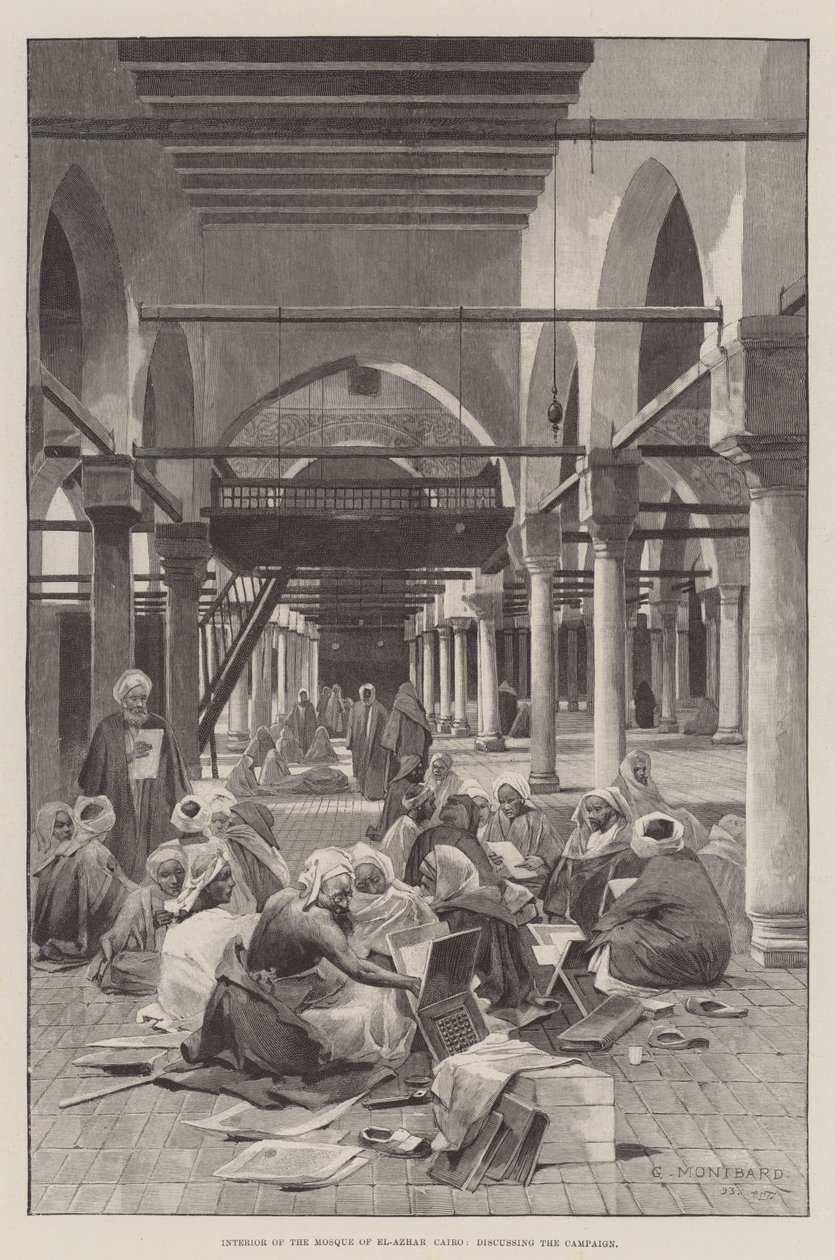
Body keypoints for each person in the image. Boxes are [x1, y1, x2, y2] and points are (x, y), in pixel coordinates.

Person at [183, 848, 422, 1076]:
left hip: (246, 988)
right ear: (319, 886)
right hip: (266, 1010)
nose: (345, 903)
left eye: (349, 893)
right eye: (338, 896)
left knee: (338, 981)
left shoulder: (282, 897)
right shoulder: (317, 921)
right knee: (368, 1006)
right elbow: (360, 971)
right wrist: (408, 982)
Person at [587, 814, 732, 995]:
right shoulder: (687, 856)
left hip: (694, 955)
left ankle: (617, 981)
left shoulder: (661, 866)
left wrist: (599, 929)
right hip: (717, 955)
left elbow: (628, 905)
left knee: (619, 934)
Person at [77, 669, 191, 883]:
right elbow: (95, 772)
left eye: (143, 698)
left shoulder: (159, 724)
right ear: (123, 701)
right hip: (120, 796)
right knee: (123, 843)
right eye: (133, 699)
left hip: (152, 796)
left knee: (152, 841)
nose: (139, 704)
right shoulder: (107, 728)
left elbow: (174, 767)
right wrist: (129, 756)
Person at [138, 841, 260, 1031]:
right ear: (207, 885)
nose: (232, 883)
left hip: (179, 1006)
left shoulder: (186, 918)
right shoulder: (211, 923)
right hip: (199, 1007)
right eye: (224, 877)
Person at [418, 848, 534, 1010]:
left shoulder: (462, 915)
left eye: (427, 883)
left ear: (446, 882)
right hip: (510, 982)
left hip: (484, 985)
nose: (422, 890)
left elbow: (455, 968)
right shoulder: (480, 899)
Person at [32, 797, 134, 962]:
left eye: (69, 824)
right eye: (59, 826)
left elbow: (113, 874)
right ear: (47, 828)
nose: (67, 829)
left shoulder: (86, 847)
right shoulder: (49, 850)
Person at [87, 842, 189, 995]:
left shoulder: (192, 896)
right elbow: (119, 939)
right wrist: (152, 924)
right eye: (165, 875)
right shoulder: (140, 898)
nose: (174, 881)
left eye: (179, 872)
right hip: (149, 960)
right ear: (156, 877)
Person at [541, 787, 644, 932]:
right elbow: (570, 856)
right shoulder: (582, 832)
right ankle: (558, 919)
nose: (591, 815)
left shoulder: (625, 834)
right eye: (588, 810)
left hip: (606, 879)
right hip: (581, 877)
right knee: (562, 871)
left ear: (613, 810)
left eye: (597, 809)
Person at [349, 842, 437, 967]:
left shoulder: (404, 901)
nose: (373, 890)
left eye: (375, 880)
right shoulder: (353, 909)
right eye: (362, 886)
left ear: (384, 874)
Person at [197, 795, 291, 912]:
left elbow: (270, 862)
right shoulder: (214, 844)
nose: (220, 826)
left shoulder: (243, 836)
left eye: (224, 821)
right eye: (214, 821)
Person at [614, 750, 709, 852]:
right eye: (637, 769)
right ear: (630, 771)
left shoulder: (648, 783)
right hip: (641, 820)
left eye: (644, 768)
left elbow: (660, 802)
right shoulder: (623, 787)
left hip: (659, 814)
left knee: (686, 820)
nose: (642, 772)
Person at [405, 794, 502, 889]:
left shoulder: (424, 837)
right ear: (468, 815)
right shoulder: (467, 840)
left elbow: (411, 878)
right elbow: (489, 881)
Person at [481, 773, 562, 876]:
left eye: (511, 801)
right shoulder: (497, 817)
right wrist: (491, 856)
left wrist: (541, 860)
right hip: (501, 876)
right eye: (502, 802)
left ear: (521, 798)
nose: (506, 807)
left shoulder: (537, 816)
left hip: (532, 876)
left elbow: (556, 848)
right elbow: (485, 846)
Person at [697, 814, 750, 951]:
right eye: (747, 826)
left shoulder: (702, 855)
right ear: (736, 824)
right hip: (734, 939)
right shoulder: (732, 860)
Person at [378, 781, 436, 879]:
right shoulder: (408, 828)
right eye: (431, 803)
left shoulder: (411, 824)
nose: (435, 807)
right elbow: (405, 866)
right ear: (419, 806)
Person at [381, 681, 433, 780]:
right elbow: (426, 727)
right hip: (418, 744)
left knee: (403, 770)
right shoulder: (417, 706)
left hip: (403, 745)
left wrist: (387, 743)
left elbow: (392, 728)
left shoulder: (398, 705)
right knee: (416, 770)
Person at [345, 683, 389, 801]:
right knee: (361, 765)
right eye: (364, 696)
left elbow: (386, 728)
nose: (366, 698)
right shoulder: (355, 707)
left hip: (375, 744)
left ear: (373, 695)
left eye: (368, 696)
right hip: (359, 743)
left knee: (374, 767)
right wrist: (349, 741)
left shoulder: (380, 709)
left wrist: (385, 744)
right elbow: (350, 725)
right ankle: (362, 788)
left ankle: (374, 792)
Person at [370, 754, 424, 841]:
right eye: (416, 769)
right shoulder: (409, 786)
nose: (420, 772)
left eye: (421, 769)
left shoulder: (395, 783)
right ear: (409, 769)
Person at [423, 752, 463, 823]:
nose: (437, 771)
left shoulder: (455, 784)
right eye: (435, 767)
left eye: (441, 768)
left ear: (447, 769)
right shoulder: (428, 780)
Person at [284, 689, 318, 756]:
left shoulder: (310, 705)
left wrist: (315, 726)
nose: (304, 697)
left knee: (308, 741)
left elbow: (314, 717)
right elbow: (291, 714)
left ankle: (307, 755)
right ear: (300, 696)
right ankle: (301, 755)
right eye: (302, 695)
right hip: (299, 727)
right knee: (300, 741)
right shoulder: (296, 705)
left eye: (305, 695)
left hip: (308, 727)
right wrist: (286, 721)